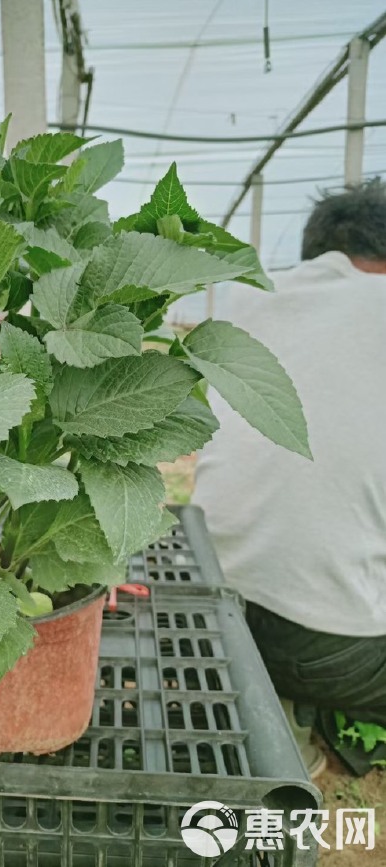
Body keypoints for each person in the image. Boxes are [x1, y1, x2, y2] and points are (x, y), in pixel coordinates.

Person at [192, 181, 386, 775]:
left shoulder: (248, 307)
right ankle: (309, 703)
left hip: (213, 621)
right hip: (333, 648)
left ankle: (280, 713)